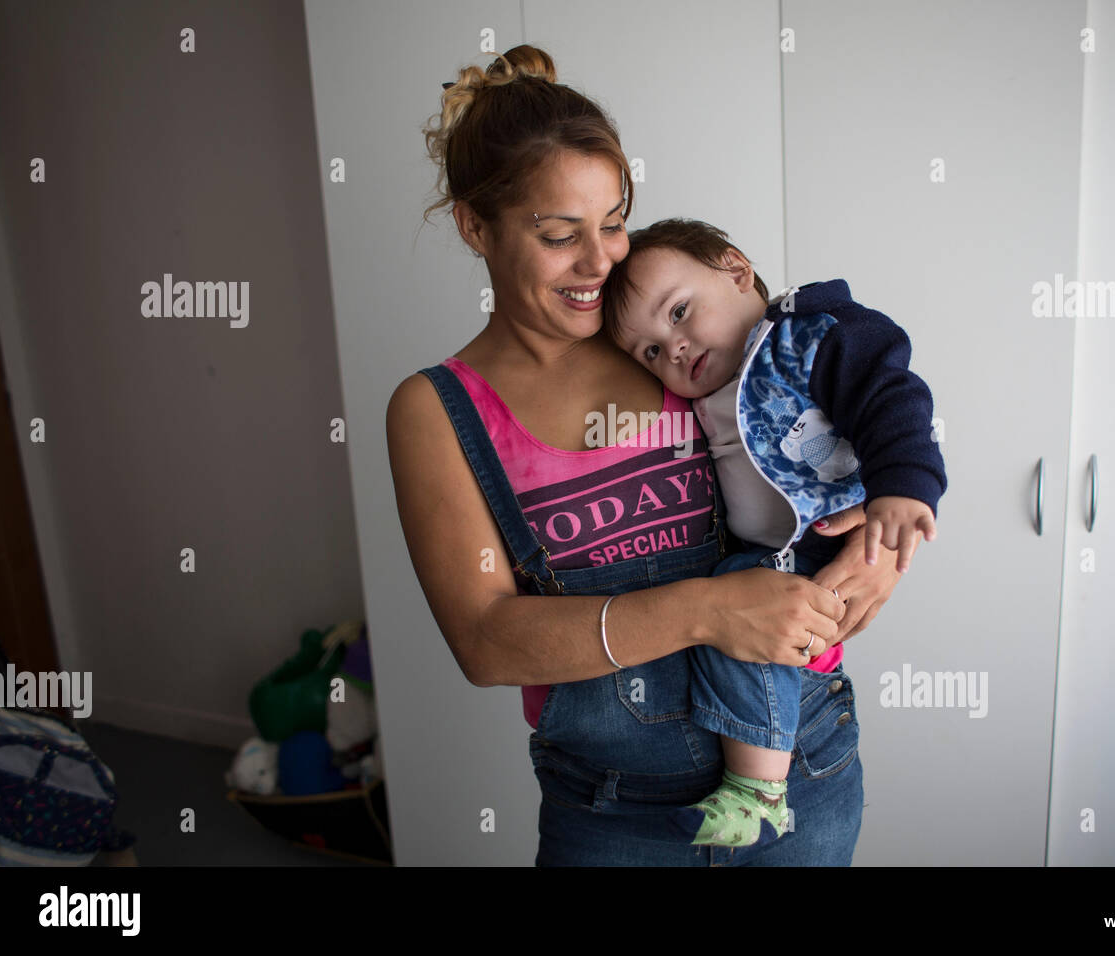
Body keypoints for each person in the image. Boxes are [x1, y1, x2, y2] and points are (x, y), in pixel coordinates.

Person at [386, 45, 910, 866]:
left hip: (804, 771)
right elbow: (484, 643)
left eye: (614, 221)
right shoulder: (439, 412)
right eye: (561, 236)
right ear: (474, 226)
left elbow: (863, 421)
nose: (601, 263)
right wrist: (706, 610)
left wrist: (884, 554)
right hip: (611, 813)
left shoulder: (680, 340)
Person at [599, 218, 947, 847]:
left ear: (735, 270)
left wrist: (901, 490)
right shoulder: (693, 397)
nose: (673, 349)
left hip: (820, 546)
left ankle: (759, 792)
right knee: (728, 606)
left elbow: (891, 395)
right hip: (770, 561)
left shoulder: (802, 339)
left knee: (736, 596)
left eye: (679, 312)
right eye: (650, 350)